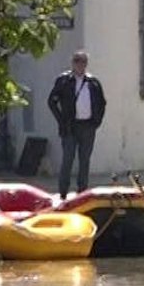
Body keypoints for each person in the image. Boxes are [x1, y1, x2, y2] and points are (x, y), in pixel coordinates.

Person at [47, 50, 106, 199]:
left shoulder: (92, 82)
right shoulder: (64, 81)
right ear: (73, 64)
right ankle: (63, 193)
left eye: (83, 62)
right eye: (77, 61)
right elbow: (52, 101)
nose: (80, 65)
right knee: (68, 159)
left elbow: (102, 103)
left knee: (84, 160)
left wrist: (96, 121)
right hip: (70, 126)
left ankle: (82, 192)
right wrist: (61, 120)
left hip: (87, 126)